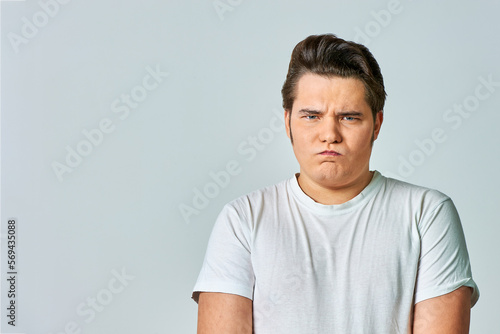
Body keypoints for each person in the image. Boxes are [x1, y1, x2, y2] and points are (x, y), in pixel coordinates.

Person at [191, 34, 479, 333]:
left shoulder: (426, 214)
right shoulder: (243, 219)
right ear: (287, 121)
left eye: (349, 117)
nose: (330, 134)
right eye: (312, 116)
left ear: (377, 125)